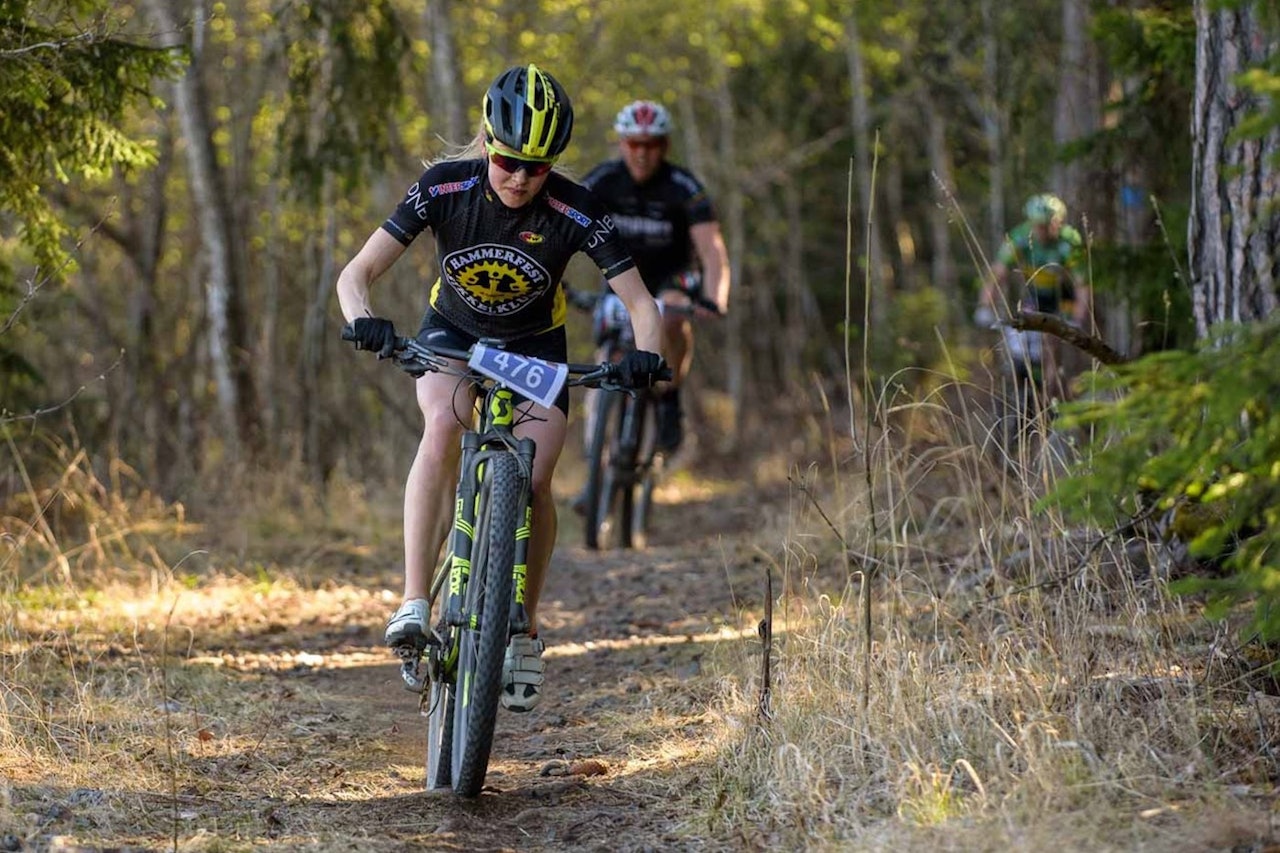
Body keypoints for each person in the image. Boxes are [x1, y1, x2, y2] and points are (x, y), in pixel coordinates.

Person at [335, 64, 666, 713]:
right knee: (442, 426)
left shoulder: (577, 209)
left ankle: (526, 629)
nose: (519, 177)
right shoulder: (444, 187)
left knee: (538, 477)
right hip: (453, 336)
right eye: (509, 160)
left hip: (535, 349)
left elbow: (642, 305)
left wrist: (644, 357)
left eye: (536, 167)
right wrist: (364, 321)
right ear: (488, 144)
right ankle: (413, 598)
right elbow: (356, 273)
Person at [578, 99, 731, 452]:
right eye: (634, 144)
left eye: (651, 145)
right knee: (606, 353)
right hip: (621, 277)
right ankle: (596, 465)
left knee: (674, 314)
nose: (642, 154)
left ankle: (669, 398)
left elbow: (712, 250)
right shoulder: (603, 180)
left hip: (672, 277)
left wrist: (714, 297)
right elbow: (562, 223)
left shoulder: (683, 186)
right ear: (621, 144)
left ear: (665, 146)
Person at [977, 193, 1088, 430]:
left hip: (1062, 303)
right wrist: (985, 305)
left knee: (1050, 348)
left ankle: (1050, 402)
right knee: (1018, 344)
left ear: (1058, 223)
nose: (1041, 231)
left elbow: (1082, 286)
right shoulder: (1019, 237)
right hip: (1035, 298)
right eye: (1036, 225)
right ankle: (1018, 394)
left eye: (1046, 225)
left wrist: (1078, 317)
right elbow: (998, 273)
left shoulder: (1070, 242)